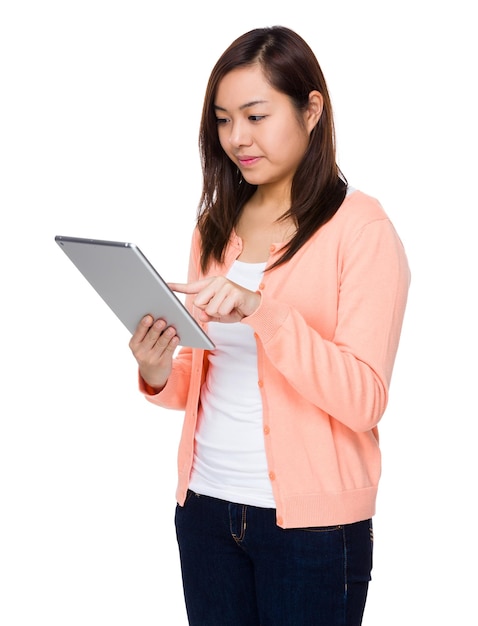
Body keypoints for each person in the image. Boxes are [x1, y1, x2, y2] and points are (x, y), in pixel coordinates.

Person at [129, 25, 410, 626]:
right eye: (224, 120)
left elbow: (363, 400)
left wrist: (261, 311)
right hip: (204, 510)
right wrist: (157, 370)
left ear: (312, 110)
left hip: (311, 530)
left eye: (256, 116)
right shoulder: (214, 227)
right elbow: (199, 375)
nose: (237, 138)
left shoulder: (361, 229)